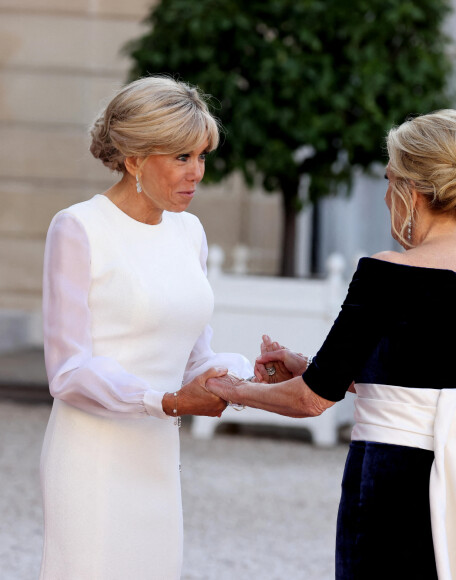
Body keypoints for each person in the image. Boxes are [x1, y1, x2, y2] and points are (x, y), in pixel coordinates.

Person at [207, 110, 456, 579]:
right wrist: (305, 364)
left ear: (410, 191)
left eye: (389, 180)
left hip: (392, 483)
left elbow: (311, 400)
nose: (387, 194)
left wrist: (232, 389)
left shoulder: (387, 271)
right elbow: (421, 385)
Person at [39, 76, 253, 579]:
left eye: (202, 156)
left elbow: (196, 357)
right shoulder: (78, 227)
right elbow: (68, 371)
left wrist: (248, 376)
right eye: (181, 157)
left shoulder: (190, 232)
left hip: (156, 451)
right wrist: (169, 402)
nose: (196, 173)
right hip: (92, 455)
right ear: (134, 159)